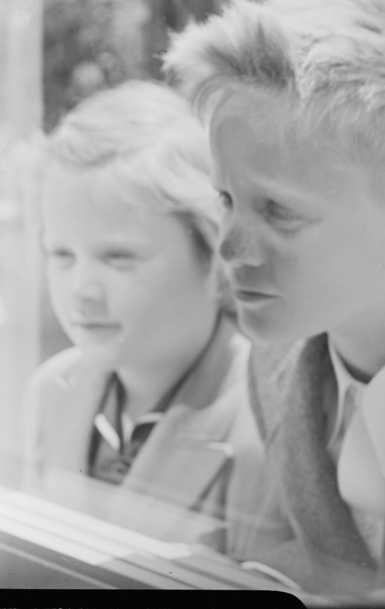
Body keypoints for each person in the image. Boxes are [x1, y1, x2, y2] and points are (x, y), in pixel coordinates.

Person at [162, 0, 385, 604]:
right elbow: (330, 553)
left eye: (279, 211)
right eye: (226, 199)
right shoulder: (274, 358)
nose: (228, 247)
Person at [22, 80, 272, 556]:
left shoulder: (266, 420)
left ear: (213, 254)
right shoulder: (50, 391)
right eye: (61, 254)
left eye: (118, 257)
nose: (82, 290)